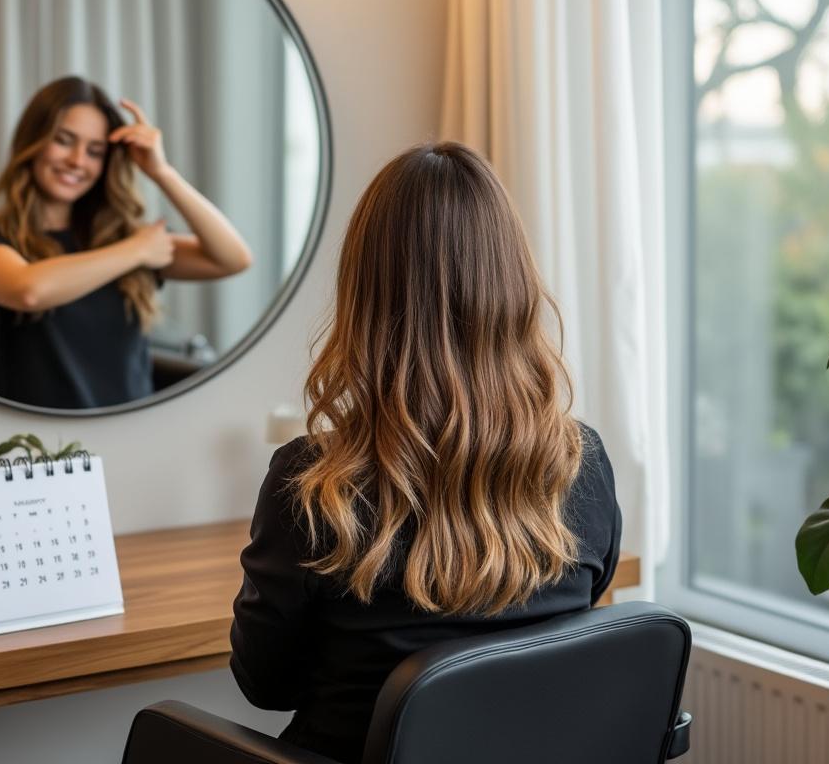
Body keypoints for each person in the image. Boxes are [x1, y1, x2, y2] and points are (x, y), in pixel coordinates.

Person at [229, 142, 622, 763]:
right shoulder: (581, 463)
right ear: (512, 287)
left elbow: (265, 685)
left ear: (365, 294)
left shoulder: (312, 483)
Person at [0, 76, 251, 409]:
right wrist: (136, 251)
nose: (78, 161)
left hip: (129, 436)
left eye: (95, 151)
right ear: (33, 141)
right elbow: (28, 290)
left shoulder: (120, 239)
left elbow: (232, 258)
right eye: (64, 140)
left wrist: (161, 172)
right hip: (38, 448)